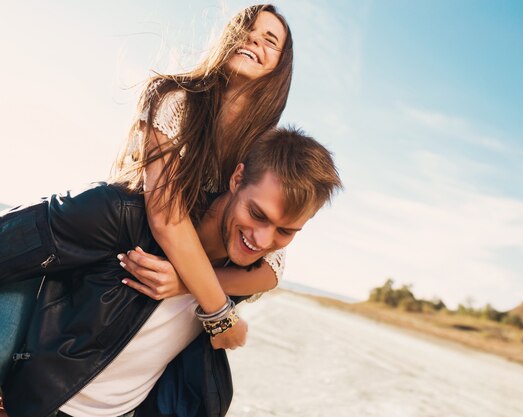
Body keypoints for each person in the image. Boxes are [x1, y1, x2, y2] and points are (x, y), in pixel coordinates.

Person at [0, 2, 294, 386]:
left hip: (120, 280)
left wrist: (186, 282)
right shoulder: (176, 97)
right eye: (244, 30)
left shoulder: (265, 152)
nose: (252, 40)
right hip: (81, 237)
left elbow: (272, 267)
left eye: (268, 40)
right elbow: (167, 217)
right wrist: (220, 312)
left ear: (280, 65)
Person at [0, 127, 343, 417]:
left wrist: (186, 283)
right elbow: (11, 240)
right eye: (258, 214)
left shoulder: (248, 271)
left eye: (286, 231)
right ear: (237, 179)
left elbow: (272, 272)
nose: (262, 240)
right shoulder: (123, 215)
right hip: (45, 405)